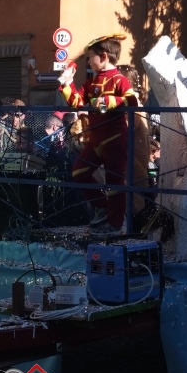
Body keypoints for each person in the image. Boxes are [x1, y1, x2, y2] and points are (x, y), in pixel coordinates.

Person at [59, 33, 138, 234]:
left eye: (90, 57)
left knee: (115, 182)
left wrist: (108, 102)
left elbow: (132, 101)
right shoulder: (92, 81)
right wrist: (67, 84)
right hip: (96, 139)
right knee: (79, 172)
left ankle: (115, 223)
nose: (88, 61)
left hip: (114, 138)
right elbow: (77, 102)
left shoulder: (119, 79)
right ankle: (102, 207)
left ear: (103, 56)